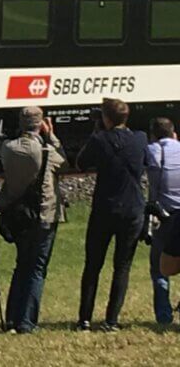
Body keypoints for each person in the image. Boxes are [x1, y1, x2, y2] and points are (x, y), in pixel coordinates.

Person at [75, 98, 150, 332]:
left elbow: (80, 164)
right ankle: (112, 320)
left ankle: (85, 318)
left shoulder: (99, 139)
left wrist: (95, 134)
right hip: (132, 209)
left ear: (106, 118)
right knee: (122, 266)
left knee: (93, 264)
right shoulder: (140, 139)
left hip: (105, 209)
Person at [0, 107, 67, 334]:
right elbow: (65, 163)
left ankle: (11, 319)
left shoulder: (8, 148)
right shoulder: (47, 151)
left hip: (18, 216)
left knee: (21, 265)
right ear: (41, 124)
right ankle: (27, 322)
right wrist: (52, 135)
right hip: (43, 213)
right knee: (37, 268)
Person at [147, 117, 180, 324]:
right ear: (173, 132)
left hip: (165, 215)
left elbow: (152, 181)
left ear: (153, 134)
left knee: (159, 266)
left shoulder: (153, 150)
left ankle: (164, 314)